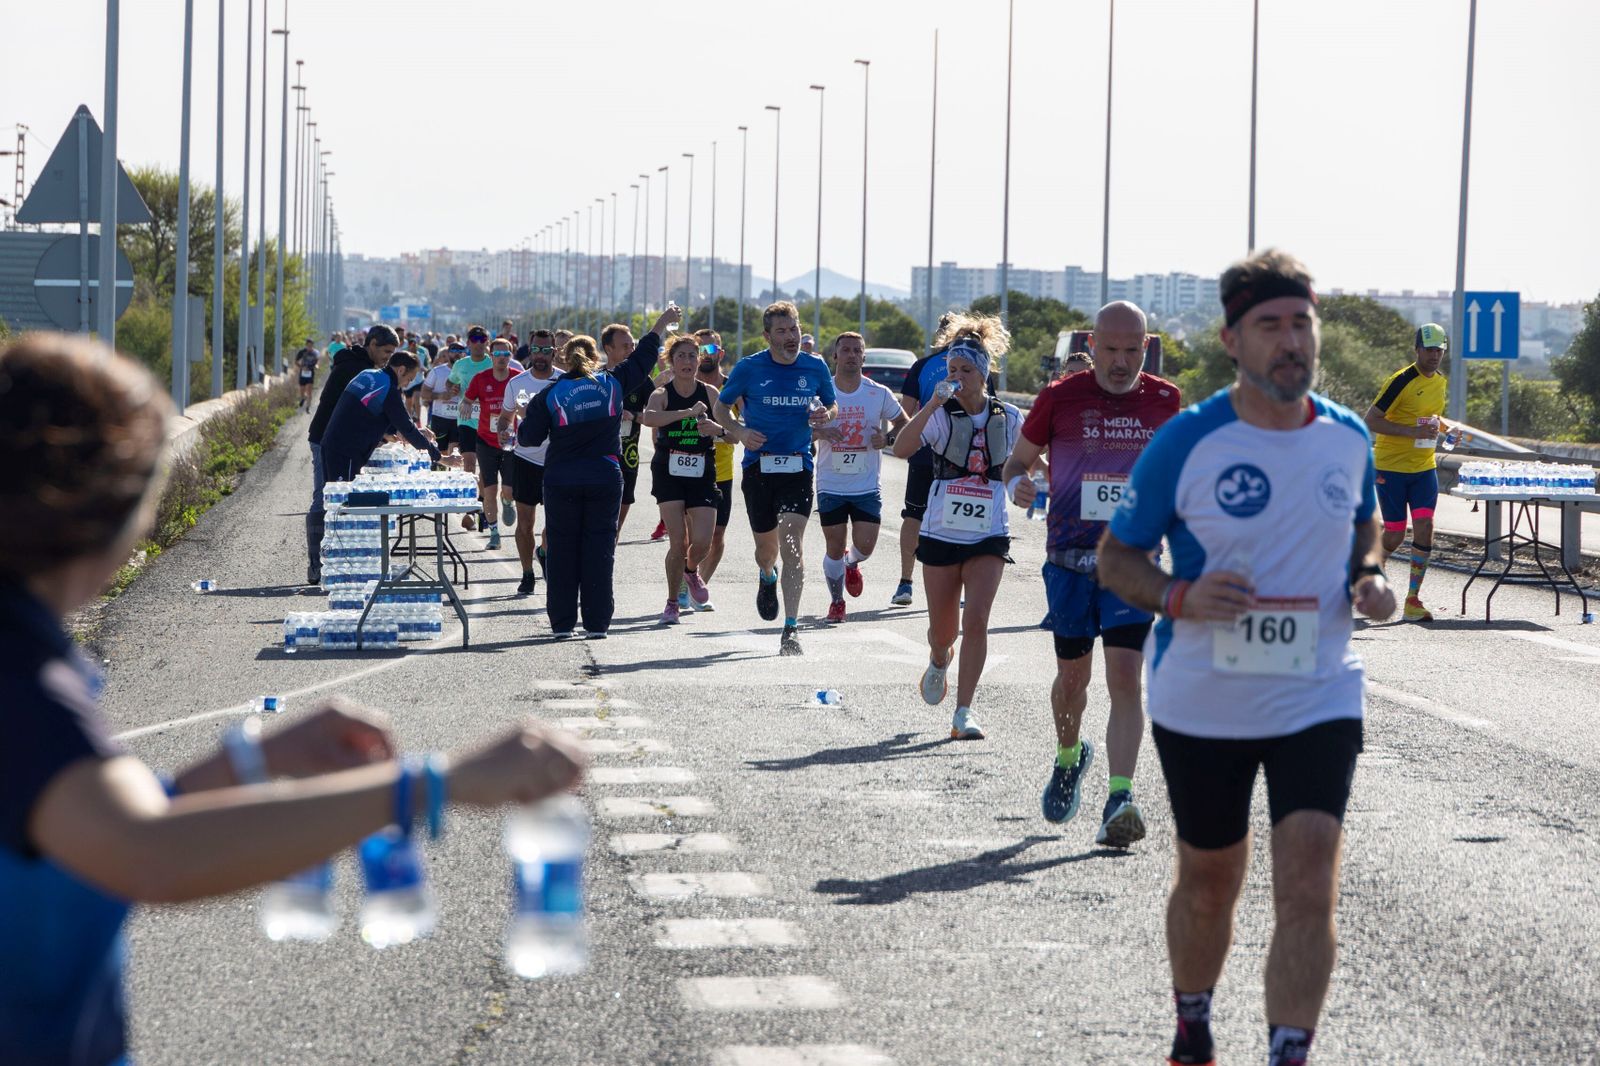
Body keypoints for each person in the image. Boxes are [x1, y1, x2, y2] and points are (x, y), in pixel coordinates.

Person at [0, 331, 586, 1066]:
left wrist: (259, 758)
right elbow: (148, 852)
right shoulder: (21, 679)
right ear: (108, 515)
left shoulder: (26, 656)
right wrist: (436, 783)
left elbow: (74, 821)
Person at [1096, 249, 1395, 1066]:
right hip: (1206, 694)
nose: (1292, 341)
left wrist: (1366, 574)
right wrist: (1182, 599)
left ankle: (1288, 1053)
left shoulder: (1347, 436)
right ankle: (1192, 1025)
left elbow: (1364, 520)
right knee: (1209, 882)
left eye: (1302, 323)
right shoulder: (1188, 442)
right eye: (1271, 326)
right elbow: (1115, 561)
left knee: (1308, 879)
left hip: (1318, 691)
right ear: (1233, 340)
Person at [1002, 301, 1181, 846]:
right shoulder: (1059, 398)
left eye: (1133, 350)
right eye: (1111, 350)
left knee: (1125, 678)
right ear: (1092, 347)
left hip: (1132, 563)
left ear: (1145, 347)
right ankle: (1069, 754)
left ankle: (1120, 796)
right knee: (1073, 682)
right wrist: (1018, 486)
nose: (1122, 362)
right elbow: (1015, 464)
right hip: (1069, 562)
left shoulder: (1166, 401)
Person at [891, 323, 1020, 740]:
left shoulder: (1010, 417)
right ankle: (938, 657)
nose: (957, 377)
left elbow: (1031, 462)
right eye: (952, 369)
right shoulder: (941, 417)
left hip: (989, 533)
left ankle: (964, 711)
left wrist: (1050, 485)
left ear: (984, 374)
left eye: (966, 370)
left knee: (978, 620)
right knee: (943, 630)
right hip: (943, 530)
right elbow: (901, 448)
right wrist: (930, 405)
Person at [519, 308, 680, 637]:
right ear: (594, 358)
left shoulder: (551, 394)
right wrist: (661, 324)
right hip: (604, 478)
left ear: (564, 360)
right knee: (599, 550)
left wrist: (530, 416)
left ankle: (562, 625)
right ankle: (596, 624)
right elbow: (645, 357)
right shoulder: (612, 382)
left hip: (561, 479)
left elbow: (528, 439)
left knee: (562, 551)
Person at [714, 301, 837, 655]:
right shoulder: (750, 368)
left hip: (798, 464)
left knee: (792, 544)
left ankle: (791, 628)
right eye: (781, 332)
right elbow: (722, 407)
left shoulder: (814, 367)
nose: (790, 337)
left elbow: (831, 406)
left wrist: (823, 415)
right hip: (758, 466)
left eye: (794, 330)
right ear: (767, 336)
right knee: (767, 551)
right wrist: (738, 431)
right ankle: (767, 575)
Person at [1363, 323, 1456, 623]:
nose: (1434, 356)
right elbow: (1371, 420)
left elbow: (1432, 416)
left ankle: (1412, 599)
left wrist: (1445, 427)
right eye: (1429, 350)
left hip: (1423, 467)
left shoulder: (1439, 382)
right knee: (1394, 533)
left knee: (1426, 525)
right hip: (1390, 467)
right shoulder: (1400, 380)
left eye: (1439, 351)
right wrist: (1410, 431)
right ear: (1417, 350)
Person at [814, 331, 909, 623]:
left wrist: (888, 439)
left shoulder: (878, 392)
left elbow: (903, 422)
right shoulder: (822, 393)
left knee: (865, 548)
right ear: (835, 356)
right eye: (846, 350)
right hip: (831, 482)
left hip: (866, 485)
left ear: (863, 357)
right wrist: (821, 432)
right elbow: (802, 428)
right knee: (832, 545)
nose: (852, 355)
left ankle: (851, 562)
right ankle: (837, 601)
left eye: (857, 350)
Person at [640, 335, 729, 623]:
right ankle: (671, 603)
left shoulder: (711, 393)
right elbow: (650, 418)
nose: (688, 361)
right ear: (671, 360)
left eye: (693, 356)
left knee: (703, 541)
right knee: (678, 541)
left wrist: (716, 429)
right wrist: (687, 414)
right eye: (681, 356)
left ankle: (691, 573)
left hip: (702, 471)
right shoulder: (662, 393)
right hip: (668, 470)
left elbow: (731, 433)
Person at [305, 325, 399, 585]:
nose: (387, 357)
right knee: (324, 497)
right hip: (326, 439)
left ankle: (339, 560)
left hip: (346, 441)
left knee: (341, 497)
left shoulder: (363, 366)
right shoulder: (354, 369)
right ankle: (317, 562)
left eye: (392, 353)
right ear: (372, 344)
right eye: (385, 351)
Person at [892, 311, 961, 607]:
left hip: (927, 450)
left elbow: (906, 415)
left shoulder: (922, 365)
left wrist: (915, 435)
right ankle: (956, 586)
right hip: (958, 453)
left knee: (915, 515)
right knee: (955, 517)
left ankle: (906, 583)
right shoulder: (973, 367)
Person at [496, 329, 561, 595]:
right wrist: (503, 431)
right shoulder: (517, 383)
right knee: (525, 523)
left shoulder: (564, 381)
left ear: (554, 353)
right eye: (537, 349)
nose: (541, 356)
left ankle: (544, 550)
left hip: (557, 461)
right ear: (530, 350)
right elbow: (505, 417)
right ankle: (527, 573)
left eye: (546, 351)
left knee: (557, 523)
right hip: (524, 459)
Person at [318, 350, 442, 483]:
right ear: (401, 370)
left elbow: (365, 412)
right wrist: (440, 458)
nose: (407, 385)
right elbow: (406, 428)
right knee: (342, 498)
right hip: (346, 450)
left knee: (331, 497)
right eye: (409, 379)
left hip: (331, 442)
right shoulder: (388, 387)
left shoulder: (368, 374)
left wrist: (395, 431)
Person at [600, 322, 662, 540]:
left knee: (625, 499)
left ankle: (614, 536)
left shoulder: (643, 381)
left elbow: (657, 416)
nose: (631, 349)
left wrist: (634, 416)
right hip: (600, 454)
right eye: (625, 345)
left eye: (632, 344)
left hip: (629, 453)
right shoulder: (596, 378)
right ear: (609, 348)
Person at [462, 339, 521, 551]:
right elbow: (467, 399)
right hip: (485, 441)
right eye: (498, 354)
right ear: (491, 355)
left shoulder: (517, 378)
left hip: (510, 441)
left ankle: (507, 502)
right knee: (489, 490)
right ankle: (494, 534)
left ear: (511, 356)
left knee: (508, 490)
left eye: (506, 354)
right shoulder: (481, 379)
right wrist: (466, 405)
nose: (502, 358)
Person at [693, 329, 735, 611]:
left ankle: (698, 585)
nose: (707, 355)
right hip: (689, 470)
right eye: (701, 350)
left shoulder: (733, 388)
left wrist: (720, 432)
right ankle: (689, 577)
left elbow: (740, 430)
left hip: (722, 471)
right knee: (691, 537)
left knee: (717, 536)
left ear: (721, 353)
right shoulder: (684, 386)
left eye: (712, 350)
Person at [420, 341, 466, 456]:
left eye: (460, 351)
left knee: (456, 452)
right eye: (454, 351)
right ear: (448, 353)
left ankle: (455, 474)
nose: (457, 354)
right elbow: (424, 393)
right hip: (440, 418)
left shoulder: (468, 373)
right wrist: (440, 396)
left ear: (464, 354)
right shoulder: (437, 371)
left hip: (460, 419)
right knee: (441, 453)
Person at [294, 337, 320, 410]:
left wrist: (317, 365)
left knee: (309, 390)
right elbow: (296, 362)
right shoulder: (302, 352)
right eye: (308, 345)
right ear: (306, 345)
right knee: (302, 390)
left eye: (311, 345)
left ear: (313, 345)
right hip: (303, 373)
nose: (309, 347)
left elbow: (318, 361)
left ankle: (308, 406)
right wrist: (302, 367)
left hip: (311, 372)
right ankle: (303, 397)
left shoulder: (315, 352)